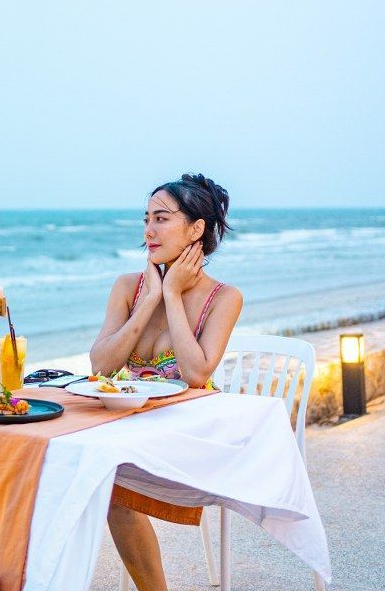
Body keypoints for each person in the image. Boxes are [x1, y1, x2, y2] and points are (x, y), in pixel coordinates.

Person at [89, 173, 243, 591]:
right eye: (146, 219)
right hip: (130, 430)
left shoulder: (224, 297)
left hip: (188, 442)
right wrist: (150, 300)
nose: (148, 230)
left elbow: (197, 374)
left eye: (161, 219)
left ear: (196, 229)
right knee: (73, 465)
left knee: (111, 480)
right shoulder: (127, 287)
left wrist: (172, 296)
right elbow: (100, 366)